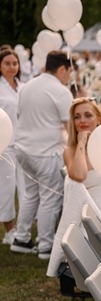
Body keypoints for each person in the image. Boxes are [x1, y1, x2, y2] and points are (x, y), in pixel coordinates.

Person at [11, 51, 73, 258]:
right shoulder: (61, 91)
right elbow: (70, 125)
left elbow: (20, 115)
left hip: (23, 149)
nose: (69, 77)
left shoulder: (28, 85)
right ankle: (45, 245)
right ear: (63, 68)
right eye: (69, 72)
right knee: (50, 198)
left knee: (30, 195)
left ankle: (21, 238)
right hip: (46, 152)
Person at [46, 97, 101, 277]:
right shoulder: (70, 151)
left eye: (88, 115)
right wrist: (82, 143)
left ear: (98, 119)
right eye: (77, 117)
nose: (82, 120)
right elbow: (79, 175)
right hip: (88, 209)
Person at [0, 48, 23, 245]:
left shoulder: (22, 87)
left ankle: (22, 230)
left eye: (14, 63)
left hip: (22, 144)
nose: (11, 67)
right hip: (4, 146)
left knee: (25, 190)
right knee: (6, 189)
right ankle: (9, 230)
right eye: (7, 63)